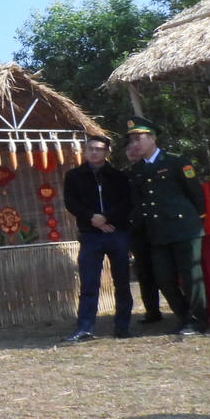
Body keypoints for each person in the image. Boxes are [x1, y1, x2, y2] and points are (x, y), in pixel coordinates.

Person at [126, 117, 208, 335]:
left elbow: (195, 193)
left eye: (139, 138)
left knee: (191, 277)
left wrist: (198, 222)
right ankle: (185, 316)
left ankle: (197, 321)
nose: (135, 143)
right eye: (131, 140)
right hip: (157, 233)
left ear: (153, 138)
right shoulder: (136, 170)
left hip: (184, 228)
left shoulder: (176, 161)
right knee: (163, 279)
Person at [61, 135, 133, 342]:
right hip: (90, 234)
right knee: (89, 282)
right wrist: (92, 218)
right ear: (85, 151)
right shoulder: (74, 176)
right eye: (91, 148)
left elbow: (127, 202)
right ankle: (85, 327)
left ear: (106, 152)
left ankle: (122, 326)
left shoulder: (119, 176)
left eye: (99, 149)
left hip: (116, 232)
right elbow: (71, 202)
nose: (94, 152)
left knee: (122, 281)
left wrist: (107, 218)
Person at [124, 139, 162, 323]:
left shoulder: (157, 168)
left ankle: (184, 311)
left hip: (160, 227)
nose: (132, 151)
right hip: (137, 231)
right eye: (128, 148)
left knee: (166, 272)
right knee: (144, 273)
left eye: (135, 147)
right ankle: (152, 312)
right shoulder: (125, 175)